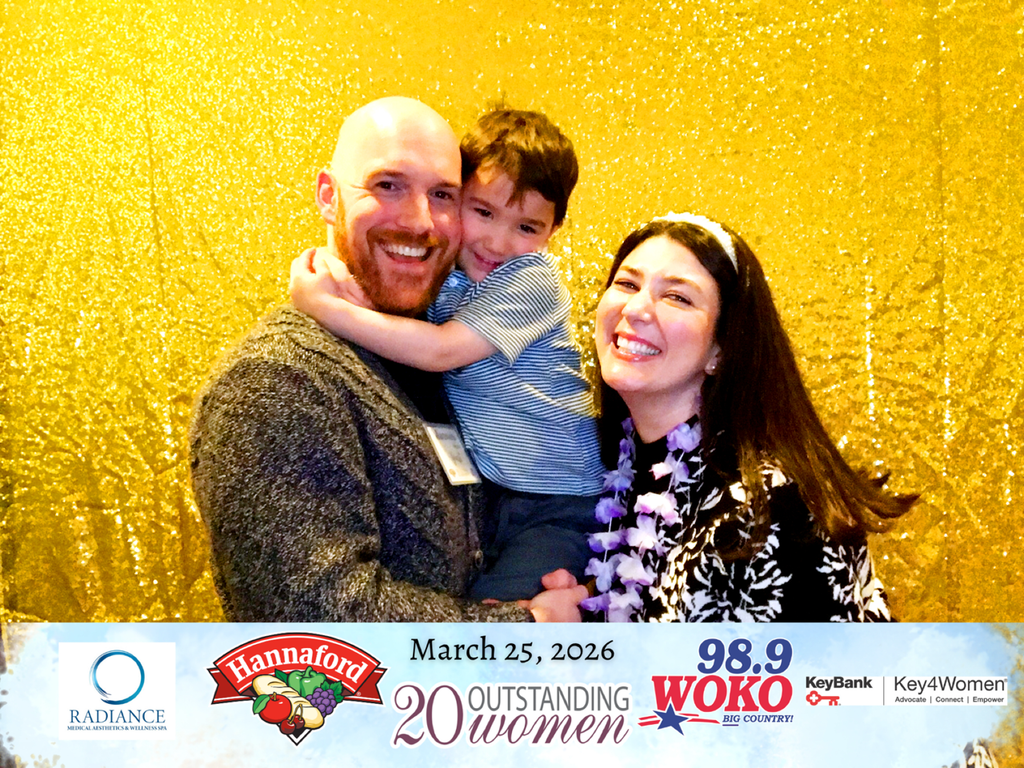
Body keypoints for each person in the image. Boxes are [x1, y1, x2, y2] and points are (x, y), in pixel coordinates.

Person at [189, 97, 587, 622]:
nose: (421, 221)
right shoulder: (279, 380)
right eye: (388, 185)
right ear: (329, 197)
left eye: (442, 194)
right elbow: (314, 620)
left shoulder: (427, 332)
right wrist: (526, 627)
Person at [290, 109, 604, 601]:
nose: (498, 242)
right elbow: (388, 299)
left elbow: (438, 352)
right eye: (482, 213)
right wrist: (332, 265)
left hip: (555, 501)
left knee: (497, 618)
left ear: (554, 229)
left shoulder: (530, 279)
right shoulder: (451, 270)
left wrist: (324, 306)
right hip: (495, 491)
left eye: (527, 227)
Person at [581, 213, 916, 622]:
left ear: (722, 349)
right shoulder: (597, 470)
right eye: (627, 284)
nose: (635, 309)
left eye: (677, 297)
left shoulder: (773, 511)